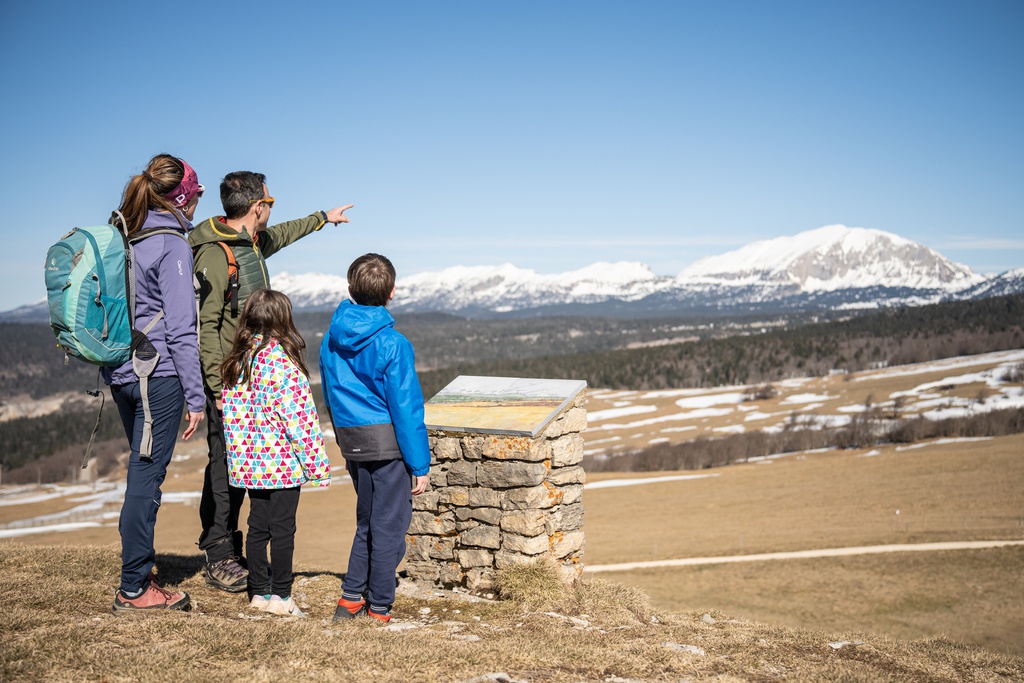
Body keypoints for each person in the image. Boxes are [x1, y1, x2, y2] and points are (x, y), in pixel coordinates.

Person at [189, 171, 352, 592]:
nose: (270, 211)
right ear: (256, 206)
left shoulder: (251, 243)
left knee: (246, 466)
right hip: (231, 382)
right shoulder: (216, 254)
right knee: (225, 467)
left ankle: (236, 551)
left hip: (252, 375)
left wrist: (321, 218)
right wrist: (217, 387)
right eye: (269, 203)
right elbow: (207, 326)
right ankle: (220, 553)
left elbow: (281, 234)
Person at [107, 154, 206, 612]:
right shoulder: (172, 244)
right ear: (180, 196)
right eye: (196, 190)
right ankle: (135, 588)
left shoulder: (127, 232)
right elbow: (183, 329)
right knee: (147, 477)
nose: (200, 196)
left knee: (140, 469)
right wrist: (196, 396)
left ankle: (137, 573)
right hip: (159, 375)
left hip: (123, 372)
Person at [319, 253, 431, 623]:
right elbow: (407, 409)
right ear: (392, 292)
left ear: (350, 289)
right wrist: (419, 464)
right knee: (389, 527)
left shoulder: (330, 341)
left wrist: (344, 439)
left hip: (353, 442)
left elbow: (332, 397)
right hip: (386, 446)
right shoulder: (393, 344)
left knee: (367, 520)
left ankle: (351, 598)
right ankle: (379, 606)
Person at [221, 289, 330, 618]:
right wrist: (317, 467)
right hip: (281, 464)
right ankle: (282, 597)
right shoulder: (284, 364)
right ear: (284, 319)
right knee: (283, 530)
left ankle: (259, 592)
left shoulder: (238, 361)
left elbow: (232, 418)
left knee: (257, 527)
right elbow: (301, 423)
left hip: (251, 465)